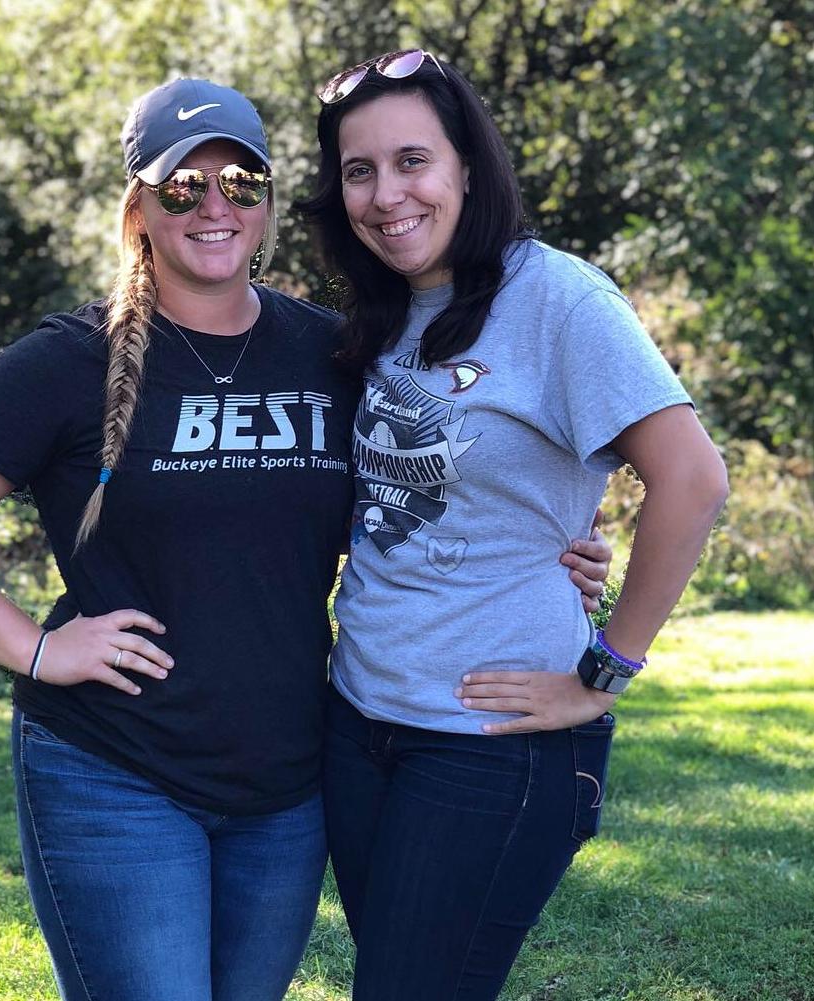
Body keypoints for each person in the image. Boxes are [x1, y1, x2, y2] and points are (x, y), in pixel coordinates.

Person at [0, 77, 611, 1001]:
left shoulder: (335, 350)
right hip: (113, 769)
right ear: (139, 207)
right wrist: (38, 648)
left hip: (289, 784)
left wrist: (557, 548)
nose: (213, 206)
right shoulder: (68, 360)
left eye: (240, 183)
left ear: (266, 200)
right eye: (182, 187)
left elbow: (438, 486)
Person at [297, 50, 729, 1001]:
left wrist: (604, 671)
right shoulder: (386, 313)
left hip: (493, 740)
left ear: (466, 166)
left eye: (412, 160)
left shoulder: (557, 297)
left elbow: (692, 479)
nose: (385, 194)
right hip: (362, 721)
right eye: (359, 170)